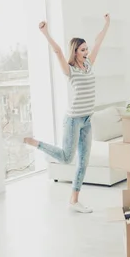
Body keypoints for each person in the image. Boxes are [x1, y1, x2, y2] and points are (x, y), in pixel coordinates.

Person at [24, 14, 110, 213]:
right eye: (83, 50)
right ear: (75, 52)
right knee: (66, 158)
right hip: (73, 121)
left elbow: (99, 42)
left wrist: (106, 24)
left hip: (87, 120)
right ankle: (36, 143)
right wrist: (45, 33)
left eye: (87, 49)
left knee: (83, 162)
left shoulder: (88, 65)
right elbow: (57, 51)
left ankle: (74, 200)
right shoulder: (70, 70)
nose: (87, 52)